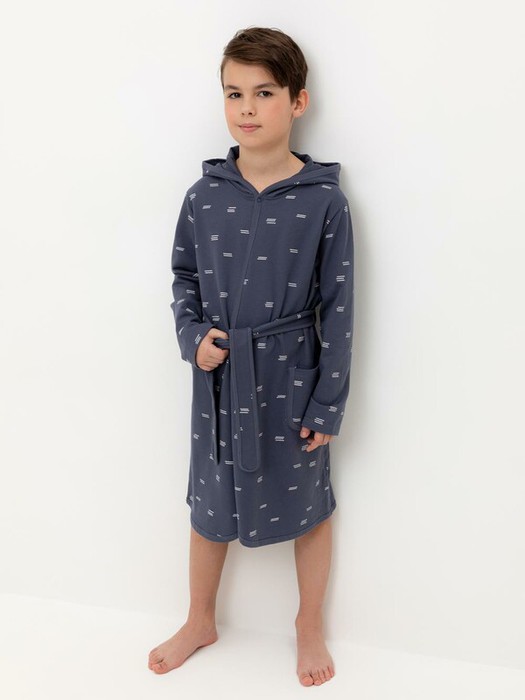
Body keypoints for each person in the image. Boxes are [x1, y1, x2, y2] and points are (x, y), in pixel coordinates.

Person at [148, 26, 354, 687]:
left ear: (297, 102)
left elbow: (339, 308)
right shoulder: (203, 195)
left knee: (310, 502)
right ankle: (199, 618)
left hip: (290, 377)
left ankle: (308, 624)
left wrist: (326, 401)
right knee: (209, 504)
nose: (246, 107)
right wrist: (193, 339)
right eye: (234, 93)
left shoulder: (324, 201)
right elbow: (183, 278)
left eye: (264, 93)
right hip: (220, 376)